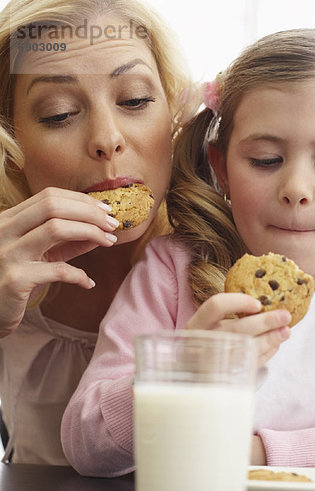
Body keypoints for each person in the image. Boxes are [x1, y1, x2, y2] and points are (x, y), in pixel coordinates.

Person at [62, 29, 315, 477]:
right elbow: (86, 443)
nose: (295, 189)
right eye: (264, 159)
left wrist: (256, 455)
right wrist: (182, 370)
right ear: (221, 166)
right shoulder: (172, 269)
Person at [0, 0, 196, 464]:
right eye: (59, 113)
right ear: (11, 146)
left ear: (173, 115)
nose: (107, 138)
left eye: (134, 100)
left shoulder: (231, 252)